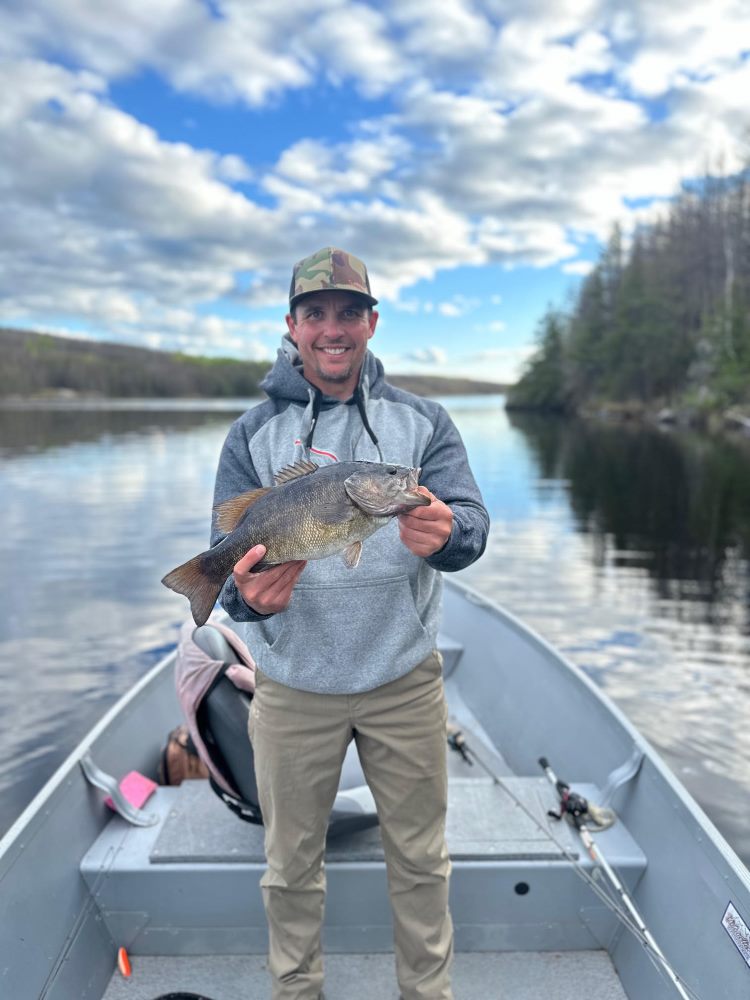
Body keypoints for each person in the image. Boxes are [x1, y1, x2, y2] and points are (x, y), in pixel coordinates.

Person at [211, 246, 489, 1000]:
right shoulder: (250, 435)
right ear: (293, 327)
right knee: (291, 866)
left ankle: (426, 995)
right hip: (294, 684)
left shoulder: (424, 421)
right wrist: (245, 598)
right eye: (315, 315)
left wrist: (450, 534)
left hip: (403, 680)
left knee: (423, 860)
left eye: (347, 314)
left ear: (371, 323)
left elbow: (469, 520)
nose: (332, 329)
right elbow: (228, 563)